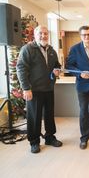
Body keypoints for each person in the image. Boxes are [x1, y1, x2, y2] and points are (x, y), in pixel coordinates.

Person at [17, 25, 62, 153]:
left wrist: (57, 70)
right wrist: (26, 88)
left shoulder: (52, 50)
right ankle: (34, 141)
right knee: (34, 117)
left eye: (46, 33)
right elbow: (21, 68)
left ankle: (49, 137)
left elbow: (56, 65)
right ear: (35, 35)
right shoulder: (28, 49)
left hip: (49, 88)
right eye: (41, 33)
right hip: (33, 90)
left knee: (49, 115)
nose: (43, 36)